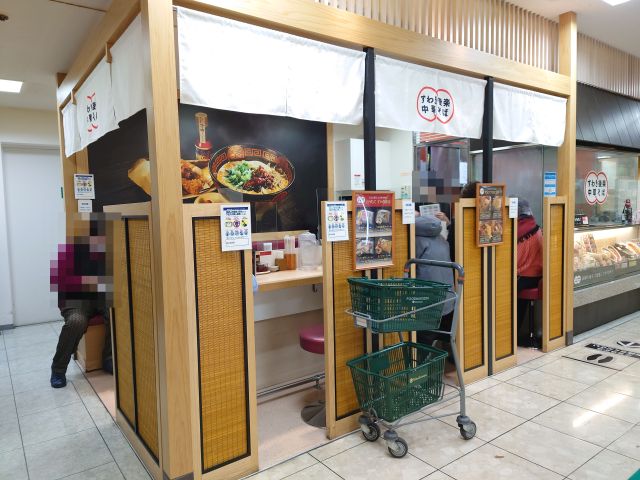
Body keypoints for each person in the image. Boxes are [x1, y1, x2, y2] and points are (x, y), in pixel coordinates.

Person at [50, 215, 113, 388]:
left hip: (100, 298)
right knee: (76, 321)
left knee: (115, 313)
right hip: (75, 299)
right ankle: (58, 369)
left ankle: (109, 358)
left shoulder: (110, 254)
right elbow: (61, 282)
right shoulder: (70, 252)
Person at [415, 214, 455, 347]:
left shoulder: (415, 241)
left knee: (423, 340)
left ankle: (424, 360)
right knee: (441, 337)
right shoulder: (442, 239)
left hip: (427, 302)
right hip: (448, 299)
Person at [516, 198, 543, 344]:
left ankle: (509, 335)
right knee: (519, 300)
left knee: (503, 292)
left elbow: (516, 261)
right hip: (537, 276)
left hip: (524, 276)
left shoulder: (519, 230)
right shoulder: (536, 228)